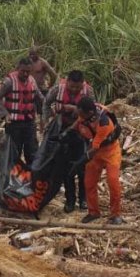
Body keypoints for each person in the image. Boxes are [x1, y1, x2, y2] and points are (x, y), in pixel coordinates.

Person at [45, 70, 95, 212]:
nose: (73, 90)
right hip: (64, 131)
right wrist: (47, 120)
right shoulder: (57, 89)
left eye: (77, 88)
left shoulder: (88, 92)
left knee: (83, 169)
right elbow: (46, 103)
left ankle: (83, 200)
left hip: (83, 133)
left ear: (82, 84)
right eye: (71, 87)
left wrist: (75, 109)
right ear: (67, 82)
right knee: (66, 169)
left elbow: (94, 109)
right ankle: (70, 201)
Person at [75, 97, 123, 224]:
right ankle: (93, 212)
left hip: (110, 151)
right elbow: (78, 124)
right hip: (95, 153)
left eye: (81, 113)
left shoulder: (104, 123)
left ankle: (115, 214)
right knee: (89, 182)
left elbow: (95, 147)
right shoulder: (86, 114)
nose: (78, 115)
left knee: (113, 182)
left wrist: (81, 161)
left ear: (89, 113)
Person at [0, 58, 44, 166]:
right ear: (18, 69)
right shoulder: (9, 81)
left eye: (28, 71)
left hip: (29, 122)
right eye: (23, 71)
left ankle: (32, 177)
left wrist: (45, 109)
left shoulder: (32, 80)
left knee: (32, 151)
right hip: (14, 123)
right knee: (14, 152)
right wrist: (5, 114)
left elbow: (38, 96)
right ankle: (13, 179)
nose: (25, 74)